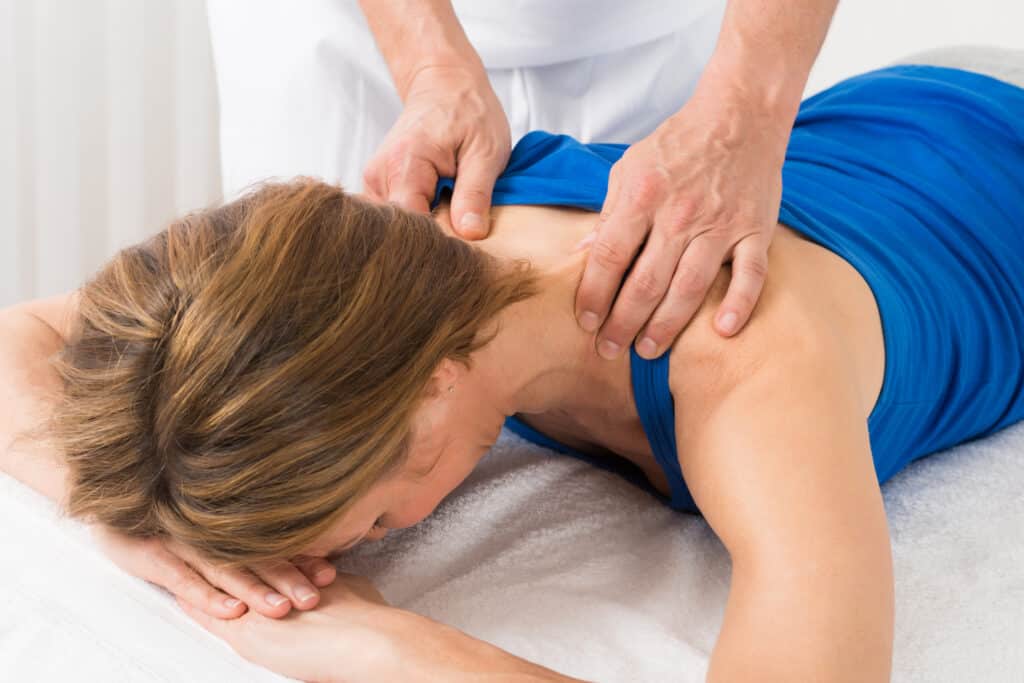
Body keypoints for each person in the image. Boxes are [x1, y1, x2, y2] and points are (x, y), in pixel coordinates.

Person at [2, 46, 1023, 681]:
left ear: (434, 386)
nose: (361, 552)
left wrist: (392, 649)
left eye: (370, 521)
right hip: (882, 121)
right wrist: (124, 517)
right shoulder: (388, 245)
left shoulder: (741, 363)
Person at [206, 0, 840, 363]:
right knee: (289, 363)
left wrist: (740, 117)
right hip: (350, 33)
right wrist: (430, 63)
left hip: (648, 33)